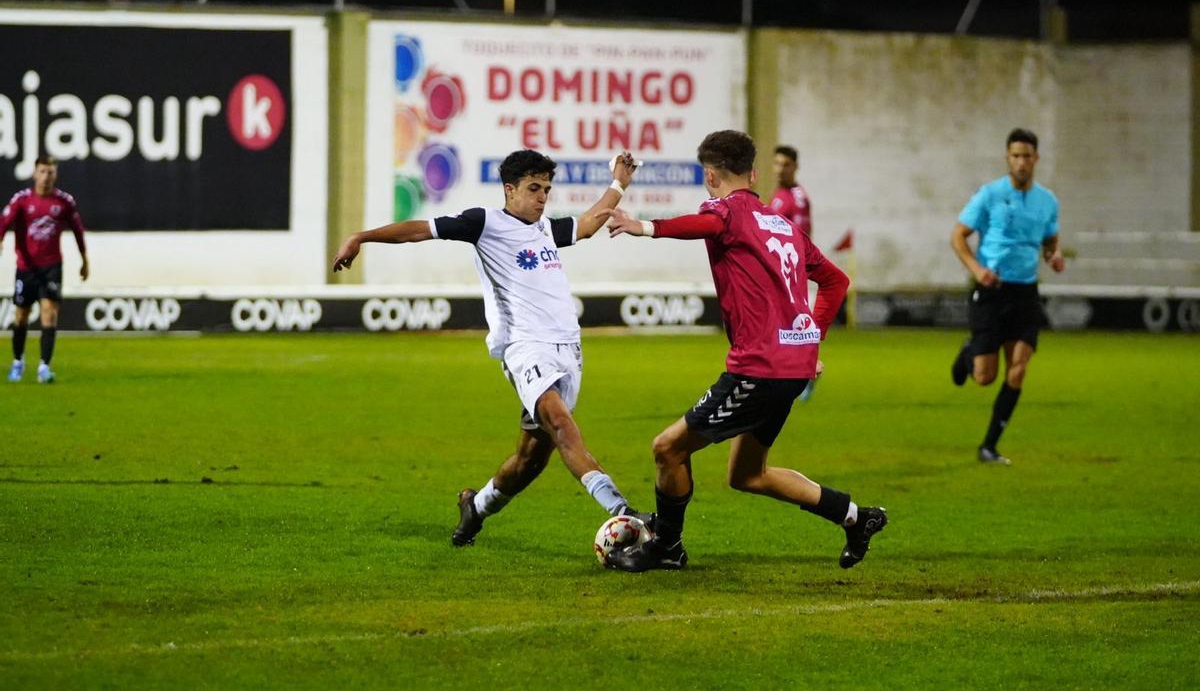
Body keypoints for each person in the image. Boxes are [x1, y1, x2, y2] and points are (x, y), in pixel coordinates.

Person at [601, 130, 887, 572]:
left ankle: (667, 548)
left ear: (710, 175)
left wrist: (645, 227)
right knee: (748, 474)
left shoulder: (725, 210)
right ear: (754, 173)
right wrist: (811, 340)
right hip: (790, 368)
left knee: (668, 450)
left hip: (759, 370)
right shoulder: (785, 225)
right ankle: (856, 517)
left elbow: (708, 224)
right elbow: (836, 282)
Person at [332, 150, 647, 547]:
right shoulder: (486, 223)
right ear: (509, 189)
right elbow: (420, 229)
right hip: (525, 348)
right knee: (564, 427)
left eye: (546, 190)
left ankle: (475, 507)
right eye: (533, 188)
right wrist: (362, 237)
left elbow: (588, 223)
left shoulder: (546, 230)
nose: (541, 197)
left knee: (530, 461)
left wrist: (619, 184)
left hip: (569, 350)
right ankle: (622, 511)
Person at [950, 128, 1065, 465]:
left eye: (1027, 156)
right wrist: (976, 269)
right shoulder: (989, 195)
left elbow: (1050, 239)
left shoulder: (1048, 200)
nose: (1021, 162)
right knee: (985, 377)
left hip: (1025, 293)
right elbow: (958, 236)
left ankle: (989, 446)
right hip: (991, 290)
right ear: (1007, 158)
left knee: (1018, 371)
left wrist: (1054, 255)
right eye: (1015, 156)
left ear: (1036, 159)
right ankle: (970, 352)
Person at [1, 156, 89, 384]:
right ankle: (18, 362)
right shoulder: (22, 200)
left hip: (51, 267)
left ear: (55, 175)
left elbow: (78, 230)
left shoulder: (64, 202)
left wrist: (84, 258)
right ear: (34, 173)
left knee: (49, 313)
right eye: (42, 171)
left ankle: (43, 367)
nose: (46, 177)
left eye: (50, 172)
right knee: (21, 316)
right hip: (26, 267)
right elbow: (4, 221)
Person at [769, 145, 812, 237]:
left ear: (795, 166)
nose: (780, 170)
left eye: (786, 165)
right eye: (777, 163)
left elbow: (802, 236)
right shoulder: (779, 192)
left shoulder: (799, 199)